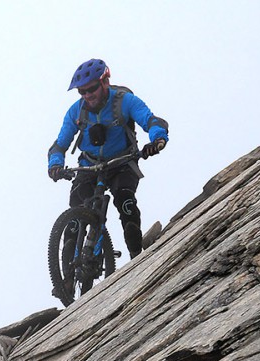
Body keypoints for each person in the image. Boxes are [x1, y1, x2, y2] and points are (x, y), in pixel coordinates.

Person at [47, 59, 169, 261]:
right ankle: (67, 279)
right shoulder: (75, 112)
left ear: (105, 81)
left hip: (122, 162)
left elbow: (151, 120)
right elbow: (59, 145)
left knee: (125, 202)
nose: (87, 95)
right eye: (81, 92)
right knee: (75, 216)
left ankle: (136, 256)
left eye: (91, 89)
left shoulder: (125, 101)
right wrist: (55, 165)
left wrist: (157, 139)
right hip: (89, 165)